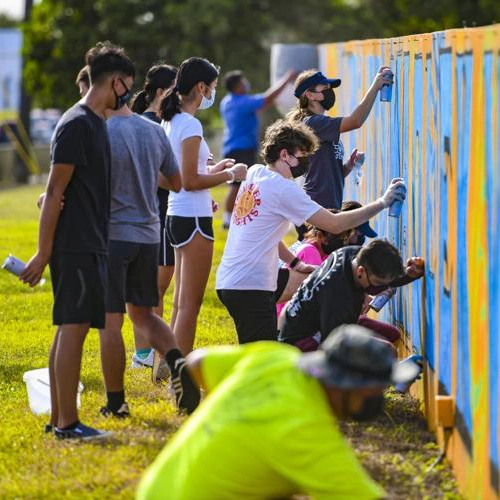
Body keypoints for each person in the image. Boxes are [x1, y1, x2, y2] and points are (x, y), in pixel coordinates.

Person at [137, 324, 421, 500]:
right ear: (346, 387)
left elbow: (198, 361)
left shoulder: (276, 359)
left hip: (155, 489)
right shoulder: (307, 434)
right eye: (374, 390)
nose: (377, 397)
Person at [20, 41, 135, 440]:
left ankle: (60, 417)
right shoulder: (77, 123)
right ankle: (68, 424)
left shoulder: (94, 123)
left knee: (73, 325)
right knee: (73, 326)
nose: (128, 94)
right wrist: (43, 251)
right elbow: (53, 192)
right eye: (128, 86)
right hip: (77, 244)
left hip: (91, 241)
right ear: (116, 82)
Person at [216, 118, 405, 344]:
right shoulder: (283, 188)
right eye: (302, 155)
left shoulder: (256, 172)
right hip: (250, 286)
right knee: (261, 360)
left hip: (233, 279)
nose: (306, 162)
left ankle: (314, 332)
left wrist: (295, 263)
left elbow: (265, 234)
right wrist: (382, 203)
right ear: (284, 154)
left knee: (312, 281)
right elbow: (334, 224)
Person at [98, 101, 201, 418]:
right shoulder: (155, 130)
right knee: (144, 314)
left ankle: (116, 403)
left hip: (114, 236)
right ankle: (177, 362)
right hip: (148, 236)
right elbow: (176, 182)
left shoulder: (100, 132)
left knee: (110, 323)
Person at [160, 57, 247, 355]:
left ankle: (166, 366)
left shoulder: (170, 121)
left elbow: (185, 174)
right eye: (211, 87)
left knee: (178, 303)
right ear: (201, 87)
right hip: (193, 219)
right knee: (189, 306)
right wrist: (230, 175)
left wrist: (215, 169)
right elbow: (189, 180)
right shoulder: (191, 124)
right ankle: (180, 375)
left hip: (176, 215)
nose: (213, 92)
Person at [288, 68, 393, 238]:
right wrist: (376, 86)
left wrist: (349, 166)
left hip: (325, 204)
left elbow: (327, 173)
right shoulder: (314, 123)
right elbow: (355, 121)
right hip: (319, 205)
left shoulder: (318, 124)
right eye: (325, 88)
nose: (330, 92)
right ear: (310, 95)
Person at [278, 239, 424, 352]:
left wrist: (408, 274)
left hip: (314, 322)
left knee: (390, 335)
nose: (379, 288)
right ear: (361, 272)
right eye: (378, 282)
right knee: (385, 351)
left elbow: (375, 282)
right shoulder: (337, 299)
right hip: (301, 342)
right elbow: (331, 349)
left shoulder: (351, 254)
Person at [129, 64, 180, 372]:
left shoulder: (156, 124)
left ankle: (148, 354)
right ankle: (145, 355)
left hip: (157, 214)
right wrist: (187, 177)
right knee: (151, 291)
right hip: (154, 215)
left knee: (151, 290)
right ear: (161, 93)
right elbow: (158, 175)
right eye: (175, 89)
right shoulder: (151, 126)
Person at [219, 69, 296, 228]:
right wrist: (287, 78)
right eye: (242, 82)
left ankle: (229, 219)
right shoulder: (242, 102)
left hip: (232, 147)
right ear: (236, 87)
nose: (245, 84)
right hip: (241, 148)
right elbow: (267, 98)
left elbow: (263, 104)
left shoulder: (227, 102)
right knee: (237, 185)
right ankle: (228, 221)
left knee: (236, 184)